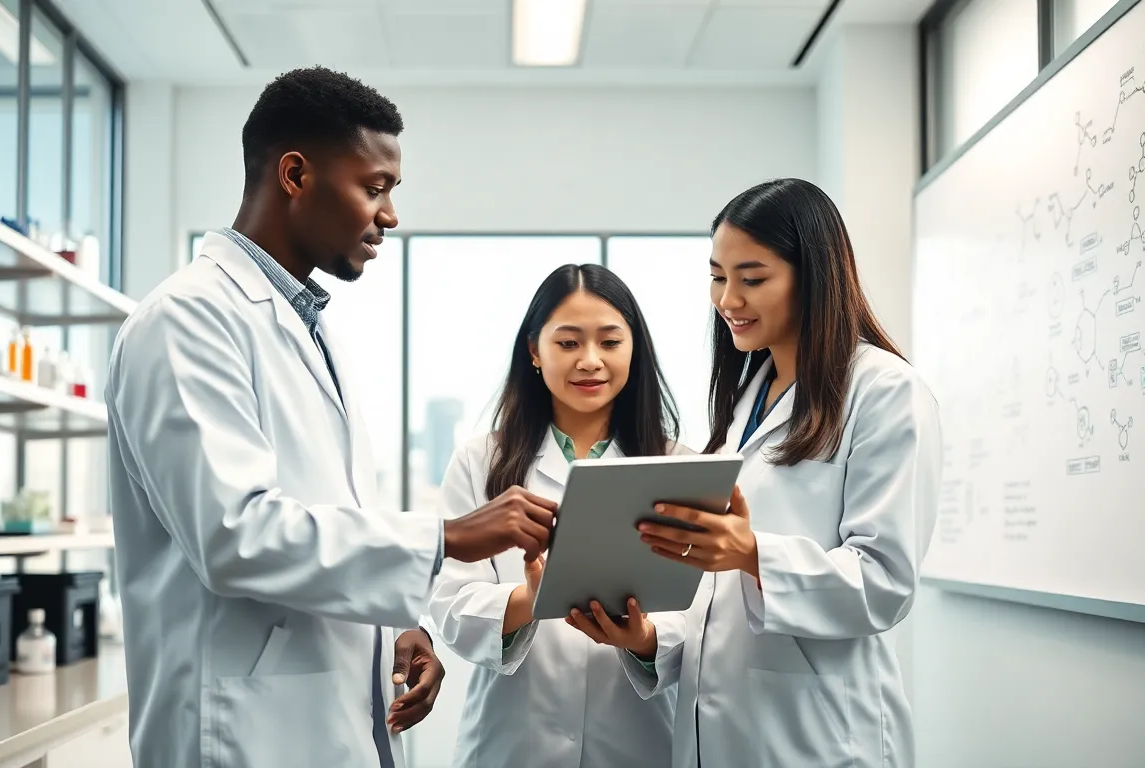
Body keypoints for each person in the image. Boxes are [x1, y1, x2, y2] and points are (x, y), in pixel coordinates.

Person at [105, 67, 558, 768]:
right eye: (373, 188)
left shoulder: (315, 331)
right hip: (241, 733)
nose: (390, 215)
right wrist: (447, 539)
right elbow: (236, 534)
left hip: (326, 721)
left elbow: (329, 517)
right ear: (295, 174)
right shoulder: (186, 320)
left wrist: (392, 627)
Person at [568, 178, 941, 767]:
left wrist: (751, 553)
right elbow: (715, 607)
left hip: (819, 738)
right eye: (718, 276)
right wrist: (647, 644)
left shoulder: (885, 391)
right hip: (719, 734)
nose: (728, 299)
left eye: (753, 278)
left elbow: (884, 584)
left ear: (813, 275)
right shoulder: (743, 404)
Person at [425, 263, 690, 767]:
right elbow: (450, 603)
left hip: (638, 743)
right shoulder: (481, 462)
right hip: (513, 745)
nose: (590, 361)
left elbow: (702, 615)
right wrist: (529, 599)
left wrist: (646, 639)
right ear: (534, 351)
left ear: (634, 349)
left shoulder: (681, 466)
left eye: (610, 343)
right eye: (568, 343)